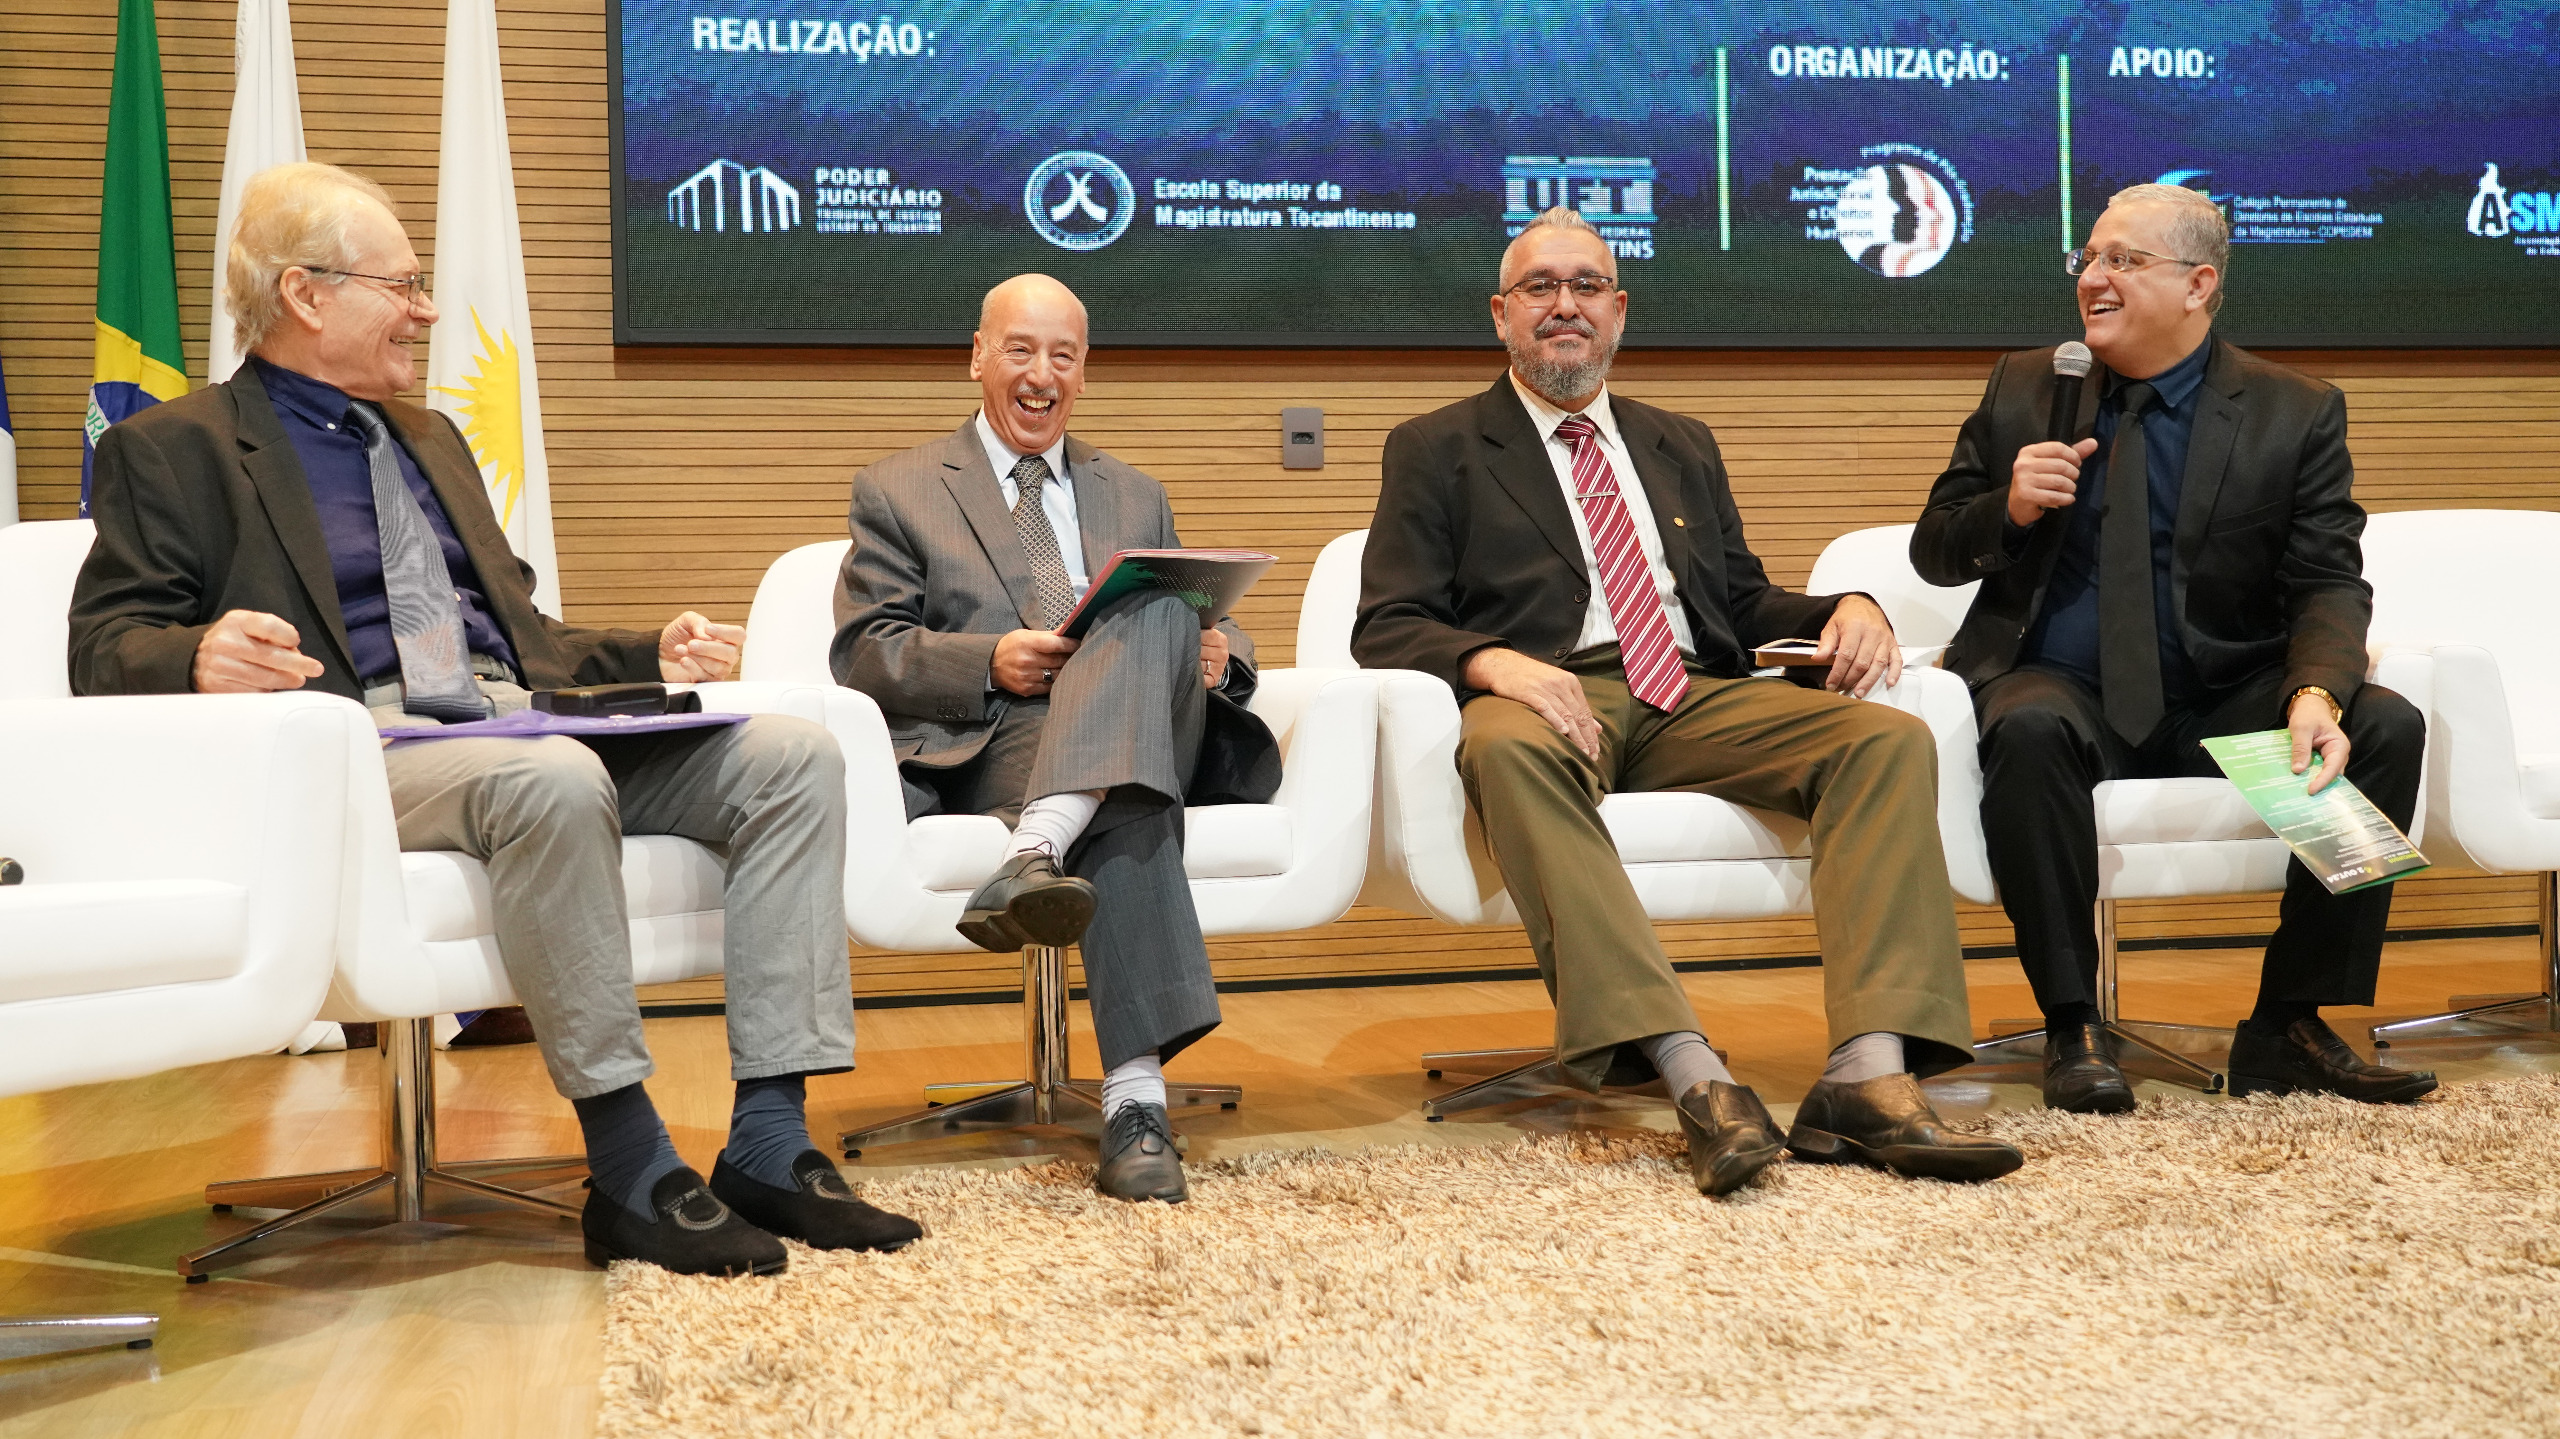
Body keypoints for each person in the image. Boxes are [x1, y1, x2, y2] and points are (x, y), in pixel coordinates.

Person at [67, 162, 921, 1276]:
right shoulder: (170, 449)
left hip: (512, 719)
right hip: (357, 746)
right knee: (553, 778)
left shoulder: (428, 438)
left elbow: (520, 631)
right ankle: (629, 1165)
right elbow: (101, 644)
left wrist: (641, 652)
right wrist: (197, 650)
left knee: (793, 758)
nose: (425, 309)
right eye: (404, 285)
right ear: (308, 294)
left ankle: (768, 1137)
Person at [1353, 207, 2022, 1195]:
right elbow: (1389, 619)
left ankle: (1869, 1075)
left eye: (1586, 286)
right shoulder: (1437, 446)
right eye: (1540, 287)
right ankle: (1693, 1073)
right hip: (1545, 695)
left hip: (1689, 692)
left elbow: (1740, 600)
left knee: (1884, 740)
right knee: (1503, 749)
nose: (1564, 305)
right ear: (1501, 315)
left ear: (1618, 313)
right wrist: (1497, 664)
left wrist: (1849, 604)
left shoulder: (1678, 443)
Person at [1912, 183, 2435, 1112]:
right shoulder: (2027, 385)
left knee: (2385, 725)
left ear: (2199, 284)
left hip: (2216, 696)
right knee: (2027, 726)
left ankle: (2289, 1023)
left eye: (2124, 261)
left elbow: (2327, 581)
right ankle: (2072, 1025)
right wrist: (2011, 506)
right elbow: (1937, 548)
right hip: (2061, 685)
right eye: (2089, 259)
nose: (2095, 279)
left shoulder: (2292, 410)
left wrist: (2313, 692)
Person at [834, 274, 1279, 1204]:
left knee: (1159, 603)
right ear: (978, 357)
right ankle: (1136, 1101)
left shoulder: (1137, 491)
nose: (1042, 375)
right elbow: (865, 651)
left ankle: (1034, 848)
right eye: (1021, 350)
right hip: (1002, 734)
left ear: (1084, 371)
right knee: (1128, 784)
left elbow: (1215, 620)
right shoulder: (900, 488)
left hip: (1155, 720)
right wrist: (990, 660)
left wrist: (1217, 655)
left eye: (1063, 356)